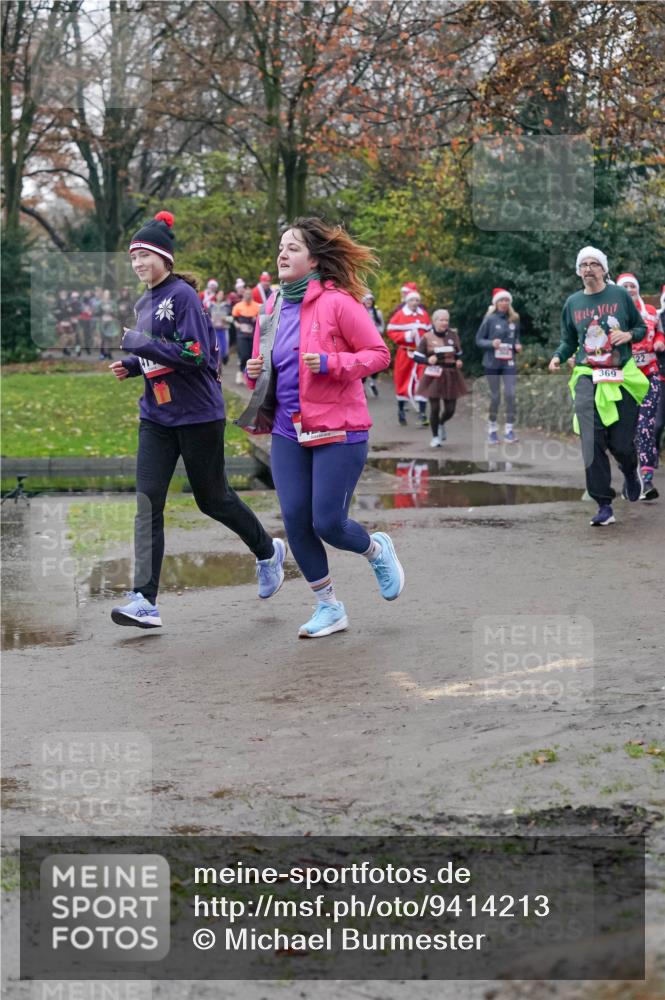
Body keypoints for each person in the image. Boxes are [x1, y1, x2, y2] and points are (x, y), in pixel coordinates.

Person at [108, 210, 285, 628]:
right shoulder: (143, 301)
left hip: (198, 415)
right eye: (133, 258)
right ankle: (144, 600)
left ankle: (267, 551)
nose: (138, 265)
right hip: (156, 415)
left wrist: (141, 344)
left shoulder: (183, 297)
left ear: (164, 258)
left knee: (213, 499)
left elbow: (196, 354)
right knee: (147, 501)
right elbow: (158, 350)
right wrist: (134, 363)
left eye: (144, 256)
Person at [243, 216, 402, 639]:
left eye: (293, 248)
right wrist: (252, 371)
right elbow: (268, 375)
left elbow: (378, 355)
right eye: (280, 246)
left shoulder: (338, 303)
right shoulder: (271, 309)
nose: (282, 254)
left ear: (314, 259)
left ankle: (376, 549)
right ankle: (329, 607)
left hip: (338, 428)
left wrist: (334, 363)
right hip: (287, 429)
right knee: (295, 520)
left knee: (328, 523)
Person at [548, 246, 648, 526]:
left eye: (594, 264)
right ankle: (603, 504)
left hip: (621, 375)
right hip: (587, 375)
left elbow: (641, 329)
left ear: (604, 269)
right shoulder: (573, 303)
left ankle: (630, 471)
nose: (589, 268)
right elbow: (568, 339)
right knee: (591, 442)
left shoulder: (619, 296)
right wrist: (559, 356)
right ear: (579, 271)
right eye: (584, 265)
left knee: (621, 445)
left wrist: (627, 335)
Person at [616, 273, 664, 501]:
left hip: (649, 376)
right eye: (624, 286)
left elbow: (661, 332)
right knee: (626, 434)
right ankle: (630, 479)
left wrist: (659, 341)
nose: (629, 289)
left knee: (646, 427)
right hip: (624, 381)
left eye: (632, 286)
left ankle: (646, 479)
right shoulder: (613, 316)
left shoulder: (652, 314)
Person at [475, 288, 522, 443]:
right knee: (495, 397)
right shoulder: (489, 319)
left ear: (509, 303)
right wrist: (491, 343)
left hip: (509, 362)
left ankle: (509, 430)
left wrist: (517, 346)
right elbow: (479, 340)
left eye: (506, 300)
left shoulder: (514, 319)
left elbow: (516, 339)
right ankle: (492, 429)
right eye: (501, 300)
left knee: (511, 394)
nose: (504, 303)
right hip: (492, 362)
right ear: (496, 303)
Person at [413, 309, 466, 447]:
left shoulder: (453, 335)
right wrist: (427, 359)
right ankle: (435, 436)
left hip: (450, 373)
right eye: (441, 320)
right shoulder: (427, 337)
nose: (444, 323)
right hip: (434, 373)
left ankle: (442, 423)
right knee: (435, 408)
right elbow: (416, 356)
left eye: (446, 320)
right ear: (434, 321)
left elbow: (459, 353)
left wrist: (458, 361)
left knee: (450, 409)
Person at [386, 290, 431, 426]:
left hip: (421, 354)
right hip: (405, 353)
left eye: (417, 300)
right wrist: (406, 336)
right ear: (407, 301)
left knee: (423, 380)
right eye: (412, 300)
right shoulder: (400, 315)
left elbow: (429, 332)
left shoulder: (424, 315)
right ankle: (401, 410)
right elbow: (391, 332)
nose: (415, 303)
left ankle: (422, 413)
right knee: (402, 380)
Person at [232, 286, 261, 384]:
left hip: (253, 334)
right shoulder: (238, 306)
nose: (248, 296)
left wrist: (256, 319)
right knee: (243, 355)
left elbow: (261, 320)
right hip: (241, 334)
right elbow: (234, 319)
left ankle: (247, 375)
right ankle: (240, 372)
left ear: (252, 296)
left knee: (250, 355)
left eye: (249, 294)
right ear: (243, 295)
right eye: (246, 294)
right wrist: (237, 325)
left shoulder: (257, 306)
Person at [361, 291, 384, 397]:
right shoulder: (359, 311)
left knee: (376, 364)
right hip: (362, 342)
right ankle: (362, 387)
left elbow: (382, 327)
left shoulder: (377, 312)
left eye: (370, 300)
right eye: (366, 300)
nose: (368, 302)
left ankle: (373, 384)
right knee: (364, 364)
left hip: (375, 341)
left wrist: (375, 330)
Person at [209, 290, 231, 366]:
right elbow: (207, 317)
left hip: (224, 330)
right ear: (216, 295)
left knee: (224, 350)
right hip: (214, 330)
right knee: (217, 348)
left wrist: (226, 318)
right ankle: (218, 365)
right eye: (219, 294)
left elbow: (232, 318)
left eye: (222, 294)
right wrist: (211, 320)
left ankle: (221, 361)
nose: (220, 296)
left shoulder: (227, 306)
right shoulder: (211, 306)